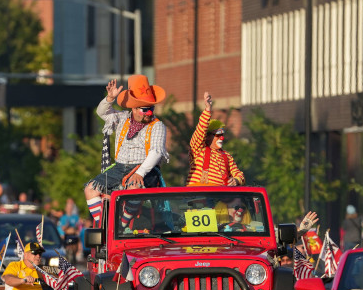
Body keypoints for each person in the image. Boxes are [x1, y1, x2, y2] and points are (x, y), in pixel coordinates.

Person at [84, 75, 169, 228]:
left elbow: (156, 152)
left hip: (145, 169)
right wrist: (109, 99)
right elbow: (102, 113)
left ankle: (121, 226)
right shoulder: (122, 118)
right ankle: (108, 226)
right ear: (134, 108)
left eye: (151, 108)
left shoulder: (158, 126)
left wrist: (140, 173)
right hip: (119, 168)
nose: (149, 113)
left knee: (133, 189)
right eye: (145, 109)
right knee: (90, 189)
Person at [186, 92, 245, 186]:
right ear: (208, 136)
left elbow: (239, 174)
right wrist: (208, 110)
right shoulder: (199, 150)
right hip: (198, 197)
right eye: (218, 134)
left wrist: (236, 180)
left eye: (222, 134)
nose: (222, 137)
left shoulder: (227, 156)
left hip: (218, 198)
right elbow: (200, 131)